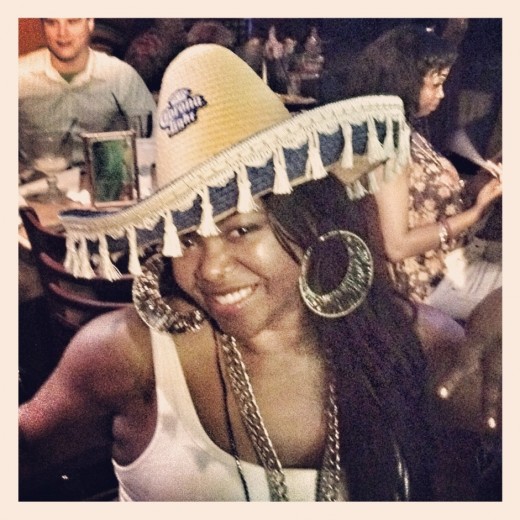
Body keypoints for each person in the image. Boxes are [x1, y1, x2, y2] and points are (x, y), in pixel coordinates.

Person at [19, 44, 499, 501]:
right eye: (185, 239)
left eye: (241, 230)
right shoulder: (127, 355)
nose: (211, 269)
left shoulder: (416, 347)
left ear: (310, 223)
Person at [343, 24, 502, 322]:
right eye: (436, 84)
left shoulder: (408, 130)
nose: (442, 94)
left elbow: (424, 199)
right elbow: (397, 245)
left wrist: (478, 184)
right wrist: (475, 213)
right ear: (405, 81)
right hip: (430, 280)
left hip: (456, 256)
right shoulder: (389, 146)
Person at [19, 18, 157, 167]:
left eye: (73, 22)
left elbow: (153, 141)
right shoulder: (19, 76)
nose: (62, 33)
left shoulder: (121, 76)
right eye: (51, 23)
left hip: (105, 175)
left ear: (90, 23)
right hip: (37, 177)